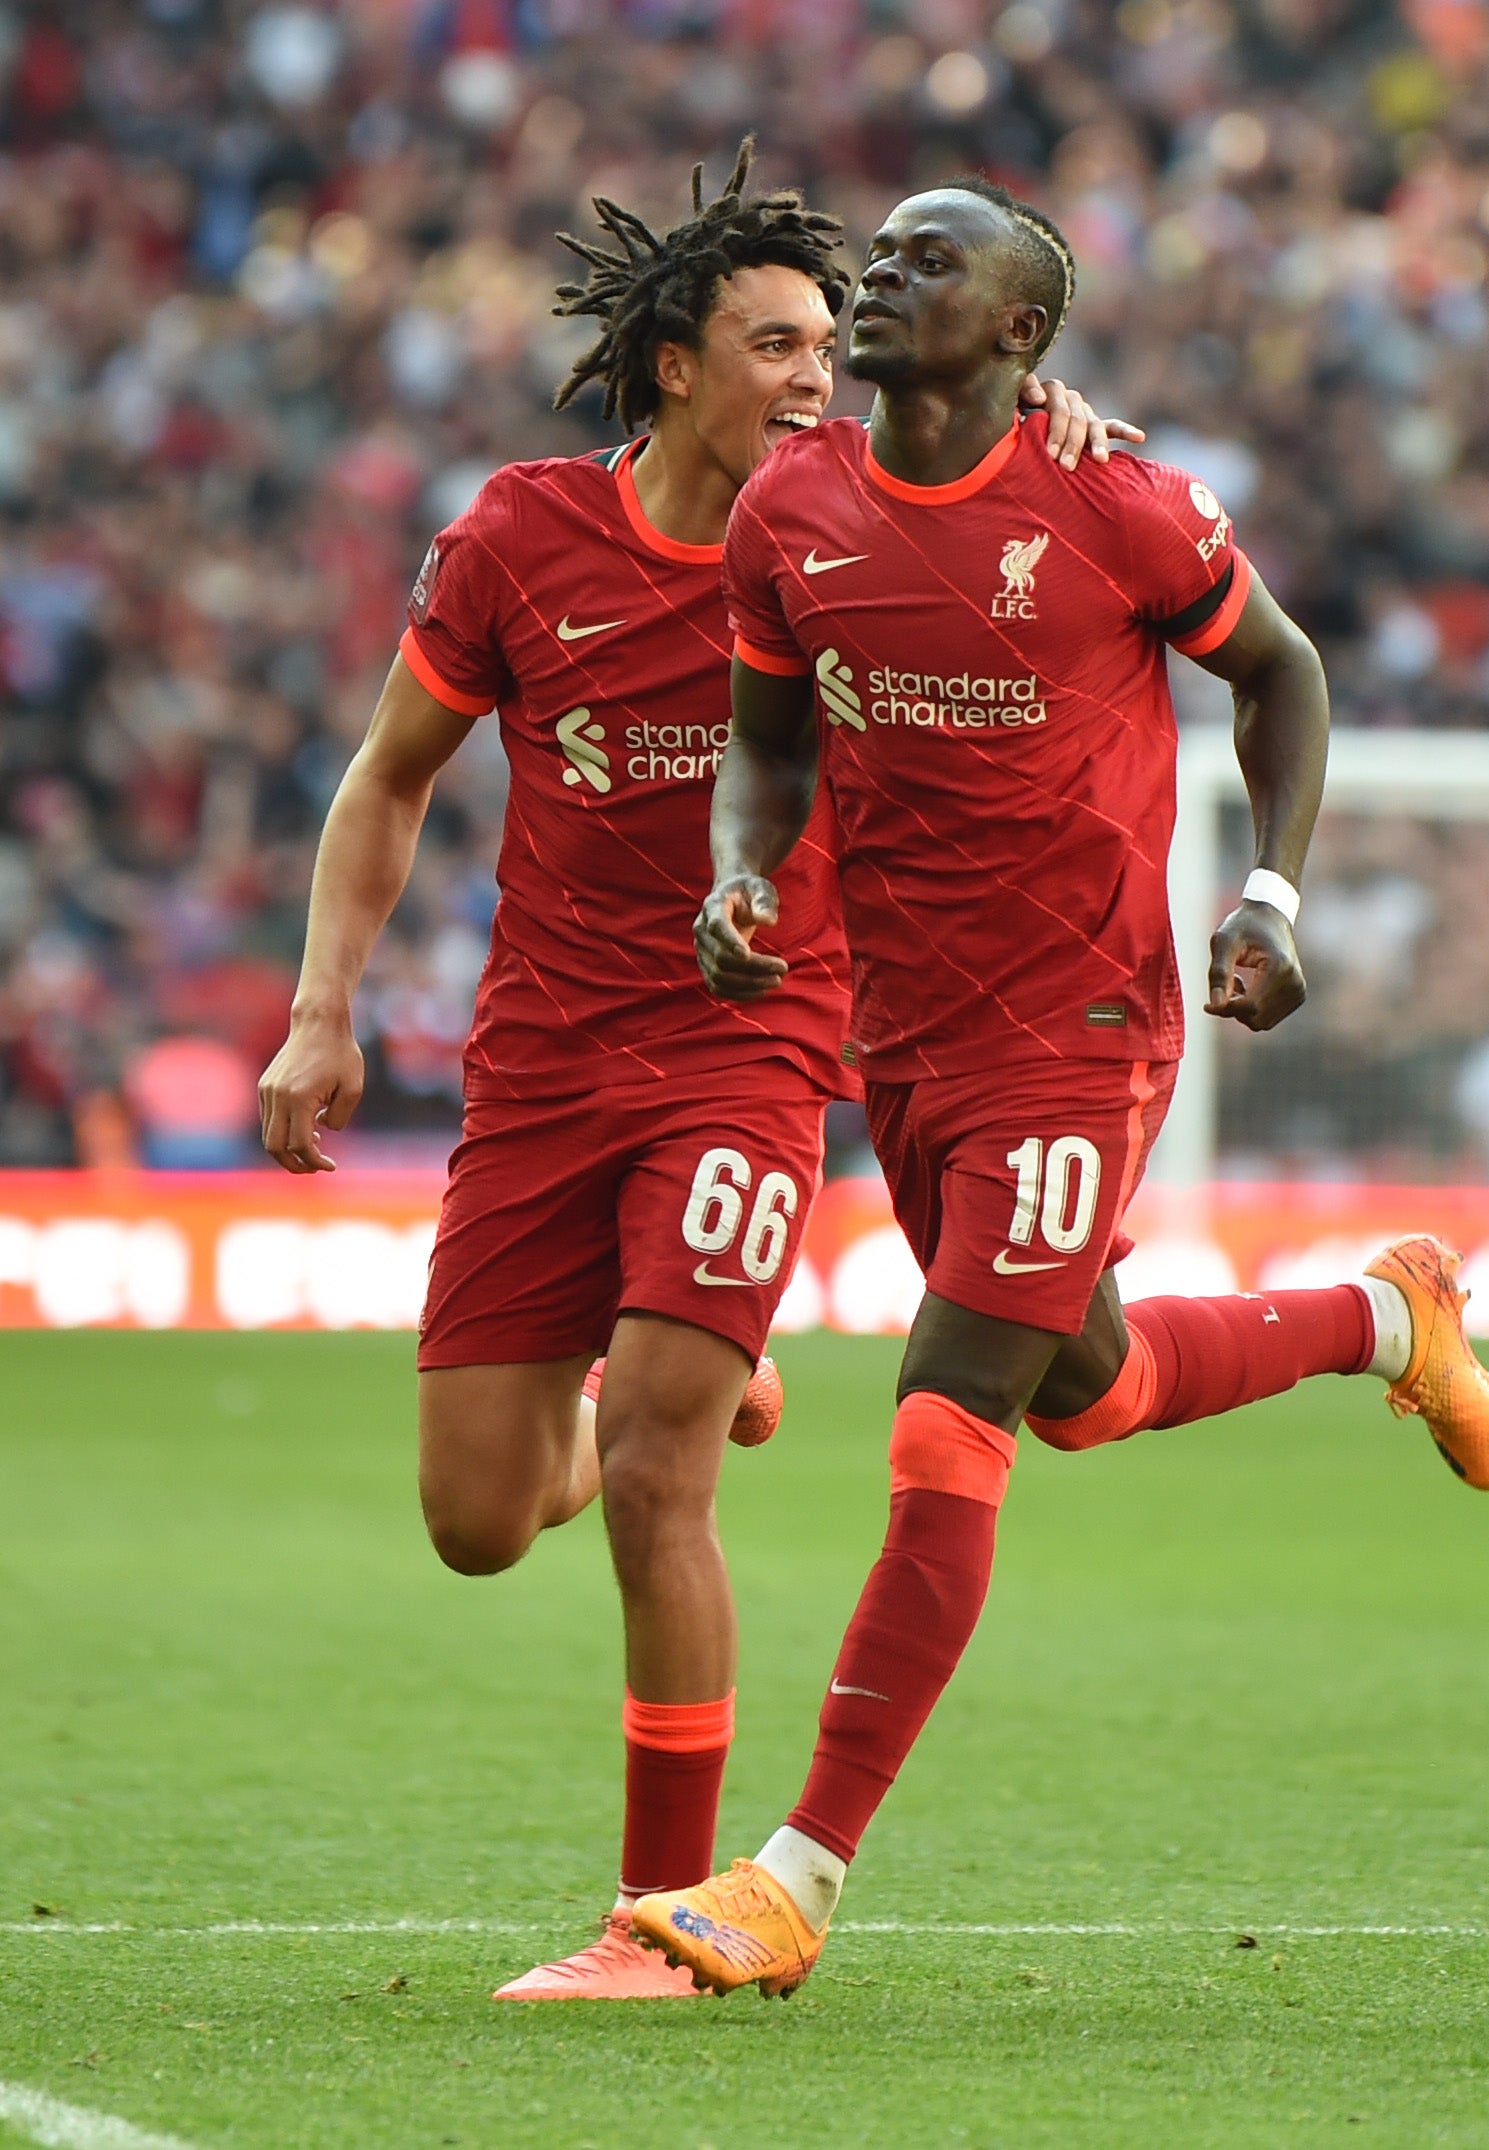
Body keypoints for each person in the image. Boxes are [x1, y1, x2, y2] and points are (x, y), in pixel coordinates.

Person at [253, 144, 1125, 2002]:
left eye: (832, 345)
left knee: (656, 1473)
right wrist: (324, 1008)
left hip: (752, 1042)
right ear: (674, 366)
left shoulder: (856, 517)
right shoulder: (516, 539)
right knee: (482, 1522)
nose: (821, 378)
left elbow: (1014, 443)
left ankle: (658, 1917)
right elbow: (390, 774)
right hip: (545, 1059)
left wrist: (1060, 412)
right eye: (777, 346)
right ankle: (692, 1359)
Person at [627, 179, 1489, 1997]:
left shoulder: (1112, 498)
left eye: (930, 262)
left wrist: (1270, 892)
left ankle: (796, 1878)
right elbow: (767, 745)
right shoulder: (794, 505)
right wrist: (737, 874)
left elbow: (1282, 672)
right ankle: (1380, 1315)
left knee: (946, 1410)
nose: (883, 276)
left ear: (1022, 335)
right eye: (880, 254)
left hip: (1085, 1024)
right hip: (916, 1031)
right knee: (1083, 1392)